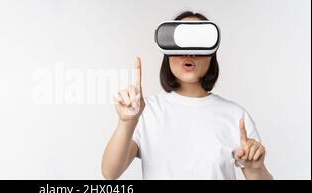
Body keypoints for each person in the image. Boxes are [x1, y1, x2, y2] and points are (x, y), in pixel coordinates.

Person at [101, 11, 273, 180]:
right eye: (181, 43)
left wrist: (255, 170)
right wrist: (127, 122)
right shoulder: (145, 111)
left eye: (198, 43)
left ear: (211, 55)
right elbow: (110, 173)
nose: (189, 53)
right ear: (167, 53)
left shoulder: (236, 117)